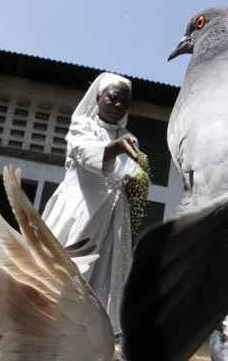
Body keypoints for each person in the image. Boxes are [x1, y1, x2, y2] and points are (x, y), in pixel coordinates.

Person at [42, 72, 144, 336]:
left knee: (101, 292)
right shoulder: (81, 125)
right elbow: (87, 156)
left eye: (124, 102)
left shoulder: (129, 137)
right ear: (99, 97)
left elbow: (131, 175)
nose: (118, 106)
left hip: (112, 222)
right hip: (80, 212)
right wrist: (116, 148)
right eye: (113, 98)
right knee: (62, 281)